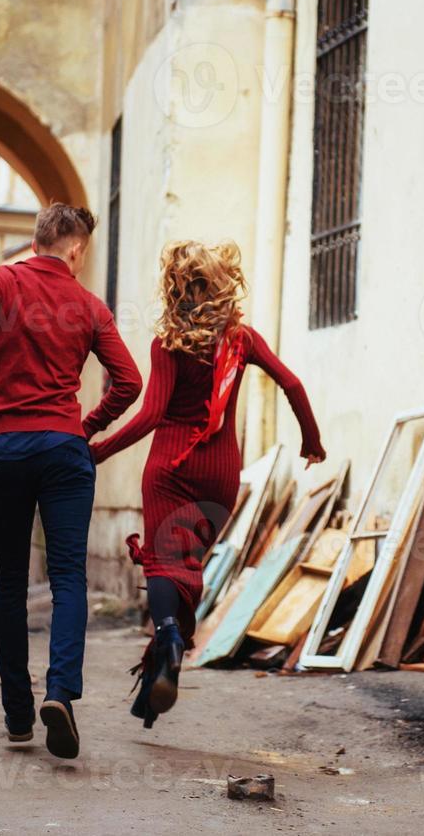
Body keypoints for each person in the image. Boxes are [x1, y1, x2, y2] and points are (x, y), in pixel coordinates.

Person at [0, 204, 141, 760]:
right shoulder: (89, 306)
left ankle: (18, 716)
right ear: (75, 249)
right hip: (64, 451)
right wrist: (85, 426)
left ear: (38, 240)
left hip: (7, 450)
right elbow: (129, 381)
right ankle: (61, 693)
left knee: (11, 584)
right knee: (69, 577)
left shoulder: (0, 280)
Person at [89, 240, 326, 728]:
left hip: (170, 469)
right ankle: (156, 684)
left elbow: (152, 415)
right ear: (221, 284)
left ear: (174, 290)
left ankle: (171, 633)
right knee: (188, 563)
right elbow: (294, 385)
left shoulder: (168, 345)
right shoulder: (243, 340)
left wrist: (97, 449)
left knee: (161, 561)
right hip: (221, 473)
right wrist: (311, 441)